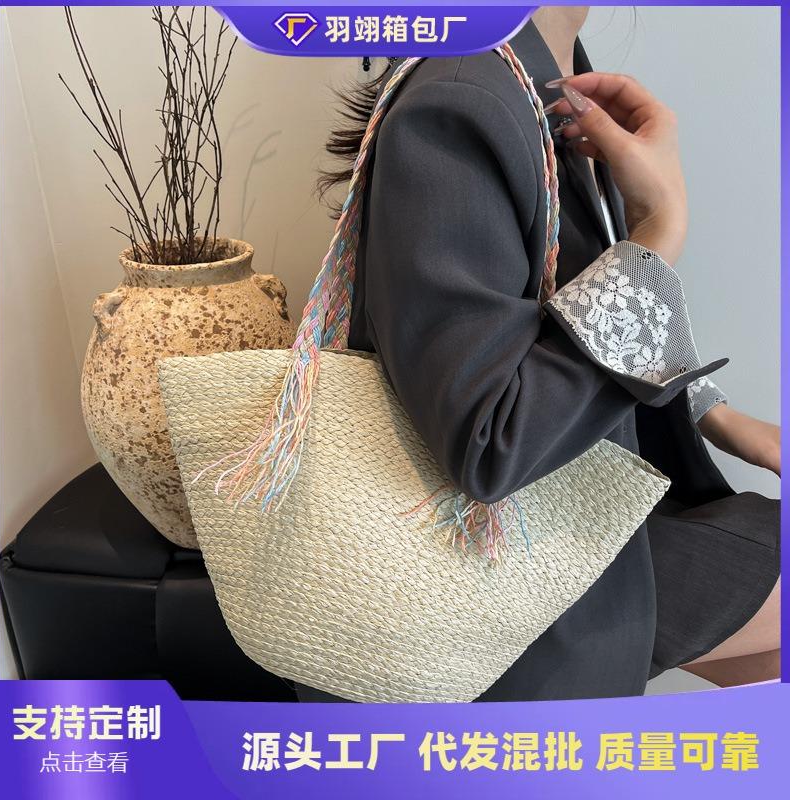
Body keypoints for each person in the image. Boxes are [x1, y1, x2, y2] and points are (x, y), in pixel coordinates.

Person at [295, 7, 780, 702]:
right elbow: (491, 439)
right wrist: (659, 229)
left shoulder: (535, 70)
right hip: (508, 574)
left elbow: (557, 307)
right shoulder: (462, 97)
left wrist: (710, 410)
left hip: (565, 521)